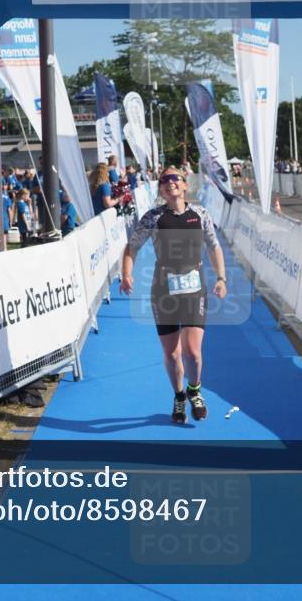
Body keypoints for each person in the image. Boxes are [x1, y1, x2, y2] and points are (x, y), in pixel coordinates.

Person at [120, 166, 227, 425]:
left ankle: (194, 391)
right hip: (163, 289)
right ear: (161, 189)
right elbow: (132, 247)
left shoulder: (200, 214)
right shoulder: (153, 217)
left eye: (174, 178)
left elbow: (213, 246)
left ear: (185, 184)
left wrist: (221, 278)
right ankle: (179, 396)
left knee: (193, 353)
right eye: (164, 180)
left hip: (194, 287)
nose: (170, 183)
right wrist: (126, 274)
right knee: (171, 353)